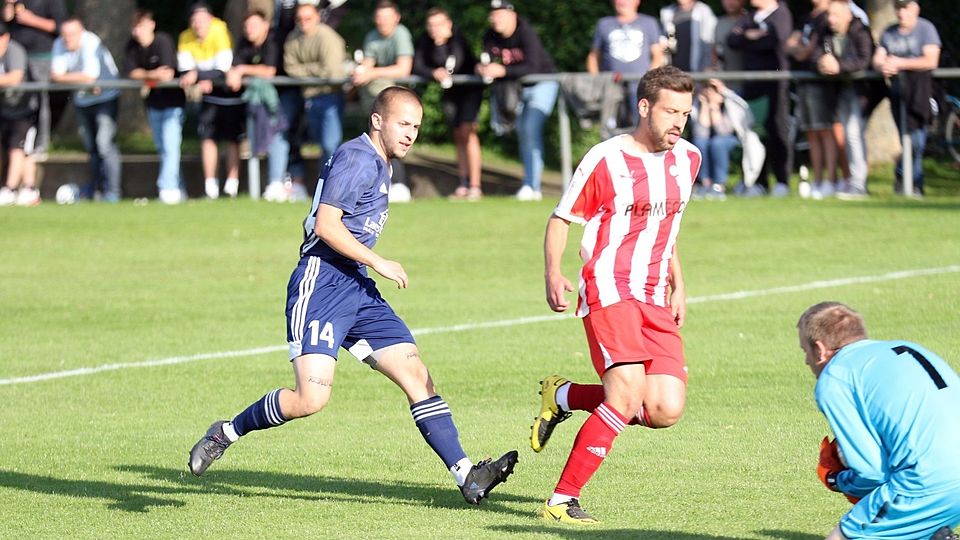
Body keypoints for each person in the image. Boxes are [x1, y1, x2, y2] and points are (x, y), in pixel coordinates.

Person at [187, 86, 519, 506]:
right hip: (322, 283)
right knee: (310, 399)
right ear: (377, 120)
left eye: (416, 127)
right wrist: (379, 261)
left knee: (416, 374)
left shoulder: (380, 162)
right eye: (403, 124)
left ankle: (467, 475)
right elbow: (325, 225)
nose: (411, 133)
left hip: (356, 286)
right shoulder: (358, 158)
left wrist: (367, 267)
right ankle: (225, 433)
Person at [534, 66, 699, 524]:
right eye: (670, 111)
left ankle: (564, 396)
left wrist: (678, 282)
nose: (678, 122)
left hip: (654, 294)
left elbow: (666, 226)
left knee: (664, 408)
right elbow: (561, 218)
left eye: (685, 114)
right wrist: (553, 272)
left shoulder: (689, 158)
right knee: (626, 396)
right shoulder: (606, 159)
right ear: (644, 107)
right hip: (608, 287)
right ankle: (561, 501)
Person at [796, 302, 960, 540]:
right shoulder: (907, 348)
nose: (806, 361)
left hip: (928, 481)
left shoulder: (835, 377)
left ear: (820, 349)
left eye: (805, 351)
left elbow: (871, 473)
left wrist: (835, 479)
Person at [479, 0, 559, 202]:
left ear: (512, 15)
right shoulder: (490, 35)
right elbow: (487, 59)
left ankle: (533, 186)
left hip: (542, 83)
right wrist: (482, 68)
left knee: (530, 129)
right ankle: (529, 183)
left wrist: (503, 70)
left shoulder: (525, 32)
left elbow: (533, 66)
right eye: (493, 14)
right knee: (522, 132)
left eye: (500, 14)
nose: (496, 19)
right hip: (517, 88)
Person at [872, 0, 941, 198]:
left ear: (915, 8)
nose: (901, 12)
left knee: (917, 141)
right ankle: (913, 185)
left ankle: (905, 177)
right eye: (898, 8)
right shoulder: (889, 32)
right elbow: (878, 58)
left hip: (922, 93)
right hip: (898, 93)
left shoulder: (926, 29)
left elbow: (931, 60)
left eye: (905, 7)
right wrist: (883, 66)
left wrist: (900, 63)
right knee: (906, 139)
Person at [413, 7, 483, 200]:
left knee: (468, 132)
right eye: (431, 25)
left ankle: (475, 185)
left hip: (470, 90)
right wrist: (433, 72)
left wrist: (440, 46)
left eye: (439, 24)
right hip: (451, 92)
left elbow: (456, 62)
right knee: (458, 134)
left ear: (449, 25)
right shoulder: (425, 41)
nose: (434, 29)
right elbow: (418, 66)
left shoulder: (458, 39)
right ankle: (463, 183)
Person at [50, 17, 122, 202]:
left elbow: (90, 76)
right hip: (82, 101)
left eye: (72, 34)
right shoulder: (59, 43)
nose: (68, 39)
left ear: (81, 33)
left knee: (105, 144)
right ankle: (96, 190)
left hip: (106, 98)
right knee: (92, 148)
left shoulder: (91, 42)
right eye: (65, 35)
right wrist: (80, 80)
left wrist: (66, 77)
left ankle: (112, 192)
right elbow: (55, 75)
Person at [178, 1, 244, 200]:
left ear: (211, 19)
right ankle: (210, 187)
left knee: (232, 139)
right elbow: (185, 69)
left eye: (202, 20)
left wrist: (199, 75)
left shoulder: (220, 31)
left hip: (229, 96)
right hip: (209, 97)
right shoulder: (185, 37)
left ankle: (232, 186)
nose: (198, 25)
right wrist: (201, 76)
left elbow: (223, 67)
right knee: (208, 139)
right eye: (194, 21)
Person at [283, 1, 345, 201]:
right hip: (309, 98)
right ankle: (323, 188)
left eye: (308, 18)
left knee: (330, 145)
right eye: (299, 19)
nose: (304, 22)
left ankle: (332, 190)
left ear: (317, 17)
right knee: (313, 143)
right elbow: (290, 68)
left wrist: (306, 72)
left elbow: (332, 70)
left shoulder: (328, 37)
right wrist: (316, 71)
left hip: (330, 97)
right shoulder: (292, 38)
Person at [353, 0, 414, 203]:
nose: (382, 22)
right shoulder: (372, 36)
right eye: (379, 18)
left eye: (386, 18)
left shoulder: (401, 34)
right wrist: (361, 72)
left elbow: (403, 69)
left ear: (396, 18)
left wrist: (371, 73)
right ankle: (380, 185)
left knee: (394, 141)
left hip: (398, 103)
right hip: (376, 102)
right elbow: (367, 65)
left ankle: (400, 184)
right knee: (376, 142)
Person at [124, 9, 187, 205]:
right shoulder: (132, 46)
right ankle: (179, 189)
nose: (138, 32)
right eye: (135, 27)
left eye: (141, 26)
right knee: (164, 148)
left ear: (151, 25)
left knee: (170, 145)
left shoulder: (163, 41)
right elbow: (131, 73)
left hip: (173, 103)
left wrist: (143, 74)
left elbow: (167, 74)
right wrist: (152, 74)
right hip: (154, 103)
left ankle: (167, 188)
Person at [814, 0, 873, 201]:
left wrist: (839, 66)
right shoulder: (825, 32)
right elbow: (816, 55)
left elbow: (864, 59)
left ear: (848, 15)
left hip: (861, 91)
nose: (831, 19)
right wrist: (821, 63)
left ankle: (859, 185)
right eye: (829, 15)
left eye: (835, 15)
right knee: (848, 134)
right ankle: (854, 182)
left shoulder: (860, 30)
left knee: (854, 134)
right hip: (840, 91)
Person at [228, 9, 288, 201]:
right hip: (258, 99)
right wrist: (234, 72)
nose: (249, 29)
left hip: (285, 96)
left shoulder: (274, 40)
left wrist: (242, 70)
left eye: (254, 25)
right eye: (246, 26)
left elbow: (269, 71)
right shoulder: (243, 43)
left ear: (266, 26)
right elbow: (234, 68)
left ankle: (276, 182)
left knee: (278, 132)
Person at [786, 0, 839, 200]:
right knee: (811, 132)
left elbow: (810, 48)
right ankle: (817, 180)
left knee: (825, 130)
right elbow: (790, 44)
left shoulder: (828, 17)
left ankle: (830, 180)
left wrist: (800, 50)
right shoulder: (808, 17)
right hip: (804, 80)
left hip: (821, 82)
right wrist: (798, 50)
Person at [2, 0, 66, 160]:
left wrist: (32, 20)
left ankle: (41, 143)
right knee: (15, 98)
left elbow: (60, 27)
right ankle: (18, 140)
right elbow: (6, 23)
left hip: (41, 57)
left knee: (40, 100)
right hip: (16, 55)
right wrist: (8, 5)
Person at [586, 0, 664, 126]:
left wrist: (649, 79)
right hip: (611, 88)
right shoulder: (604, 24)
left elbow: (657, 54)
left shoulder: (648, 23)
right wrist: (597, 81)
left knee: (641, 125)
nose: (623, 2)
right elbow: (594, 56)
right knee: (611, 128)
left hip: (639, 87)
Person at [690, 78, 759, 200]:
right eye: (706, 88)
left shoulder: (731, 103)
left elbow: (723, 132)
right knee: (700, 142)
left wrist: (714, 108)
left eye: (713, 89)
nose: (709, 92)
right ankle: (704, 183)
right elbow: (700, 133)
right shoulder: (697, 104)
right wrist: (705, 106)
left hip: (734, 139)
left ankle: (718, 185)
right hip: (709, 140)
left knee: (718, 143)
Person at [0, 19, 40, 206]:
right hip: (4, 109)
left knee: (18, 149)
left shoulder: (14, 51)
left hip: (24, 110)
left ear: (6, 37)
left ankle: (11, 189)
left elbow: (15, 77)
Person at [659, 0, 717, 73]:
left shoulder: (704, 11)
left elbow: (711, 41)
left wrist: (708, 66)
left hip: (698, 69)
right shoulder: (667, 12)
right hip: (674, 69)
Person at [711, 0, 747, 94]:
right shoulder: (719, 23)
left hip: (748, 83)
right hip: (724, 85)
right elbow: (714, 51)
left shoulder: (750, 21)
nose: (729, 2)